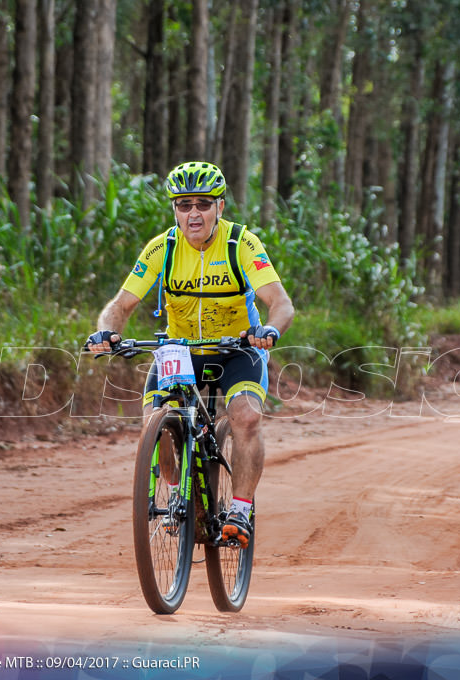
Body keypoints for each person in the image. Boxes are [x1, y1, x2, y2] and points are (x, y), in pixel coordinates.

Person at [86, 161, 295, 549]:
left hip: (237, 350)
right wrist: (107, 331)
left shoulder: (241, 244)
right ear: (174, 210)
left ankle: (241, 508)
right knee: (155, 424)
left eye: (202, 203)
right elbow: (122, 304)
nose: (193, 213)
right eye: (184, 205)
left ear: (219, 207)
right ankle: (179, 494)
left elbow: (280, 303)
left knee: (246, 417)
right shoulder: (162, 248)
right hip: (180, 351)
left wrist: (268, 330)